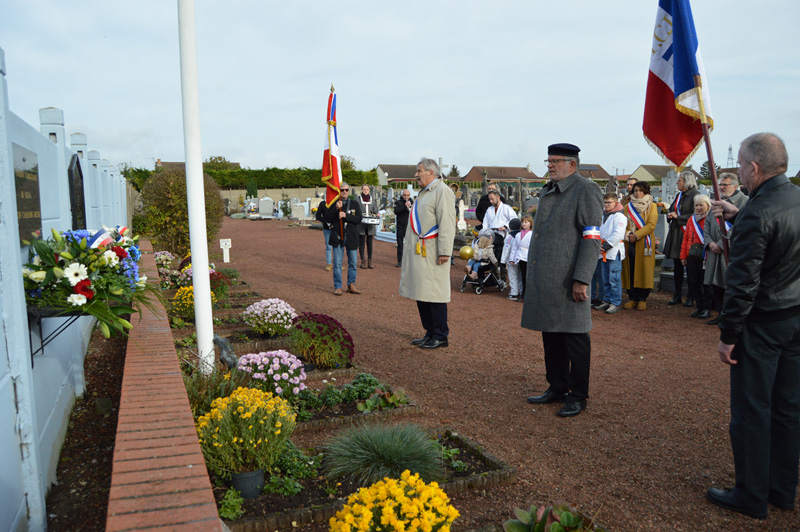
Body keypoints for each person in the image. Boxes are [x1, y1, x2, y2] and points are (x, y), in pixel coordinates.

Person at [705, 133, 800, 520]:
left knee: (751, 411)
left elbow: (743, 284)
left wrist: (728, 336)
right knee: (788, 408)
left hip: (762, 324)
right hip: (794, 316)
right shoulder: (792, 198)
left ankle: (750, 494)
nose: (738, 171)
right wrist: (738, 213)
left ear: (755, 167)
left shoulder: (757, 214)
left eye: (741, 165)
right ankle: (781, 490)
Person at [523, 143, 602, 418]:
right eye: (549, 161)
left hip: (569, 280)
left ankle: (578, 395)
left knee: (575, 339)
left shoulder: (585, 190)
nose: (550, 165)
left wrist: (582, 278)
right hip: (547, 278)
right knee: (551, 335)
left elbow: (592, 238)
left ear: (573, 165)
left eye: (556, 161)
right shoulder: (549, 190)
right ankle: (557, 386)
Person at [399, 158, 456, 350]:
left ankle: (440, 335)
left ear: (431, 172)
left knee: (434, 294)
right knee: (421, 292)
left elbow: (447, 223)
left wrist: (445, 251)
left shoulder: (443, 191)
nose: (416, 174)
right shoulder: (424, 193)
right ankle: (430, 332)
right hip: (419, 251)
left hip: (432, 252)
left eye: (419, 171)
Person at [703, 173, 748, 324]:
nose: (721, 187)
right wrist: (710, 243)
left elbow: (739, 226)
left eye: (725, 185)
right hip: (714, 250)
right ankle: (721, 313)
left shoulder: (744, 202)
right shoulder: (718, 201)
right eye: (720, 184)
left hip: (729, 251)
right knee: (716, 284)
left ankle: (730, 316)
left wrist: (721, 244)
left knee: (727, 283)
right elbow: (708, 224)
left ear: (735, 186)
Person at [663, 171, 700, 306]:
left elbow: (696, 214)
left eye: (680, 180)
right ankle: (677, 294)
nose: (677, 182)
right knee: (677, 266)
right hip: (676, 233)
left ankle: (691, 296)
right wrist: (669, 215)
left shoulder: (696, 195)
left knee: (690, 267)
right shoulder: (679, 196)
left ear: (687, 182)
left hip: (687, 234)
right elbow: (672, 209)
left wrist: (678, 217)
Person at [621, 181, 658, 310]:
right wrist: (629, 234)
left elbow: (651, 225)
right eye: (636, 190)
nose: (637, 193)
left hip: (644, 242)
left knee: (643, 269)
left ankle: (642, 298)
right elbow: (622, 224)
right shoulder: (627, 207)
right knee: (630, 268)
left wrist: (637, 235)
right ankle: (632, 297)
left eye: (640, 191)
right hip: (629, 241)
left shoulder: (652, 206)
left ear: (646, 192)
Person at [323, 182, 362, 295]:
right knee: (337, 265)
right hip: (338, 237)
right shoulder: (334, 204)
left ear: (349, 191)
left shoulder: (354, 203)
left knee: (353, 264)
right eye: (342, 190)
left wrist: (346, 216)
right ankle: (338, 286)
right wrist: (336, 209)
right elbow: (328, 219)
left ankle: (351, 284)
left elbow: (359, 219)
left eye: (346, 190)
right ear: (338, 191)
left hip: (351, 237)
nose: (344, 192)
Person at [593, 193, 627, 314]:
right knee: (605, 278)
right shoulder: (603, 216)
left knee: (614, 278)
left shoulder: (619, 216)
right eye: (605, 202)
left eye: (609, 202)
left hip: (613, 250)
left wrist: (606, 246)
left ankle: (615, 302)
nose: (606, 205)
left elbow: (618, 234)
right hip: (602, 251)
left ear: (615, 203)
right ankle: (607, 300)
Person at [679, 195, 713, 319]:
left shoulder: (711, 219)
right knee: (694, 283)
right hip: (691, 255)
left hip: (706, 256)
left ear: (707, 206)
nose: (698, 208)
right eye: (696, 205)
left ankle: (707, 308)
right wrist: (683, 256)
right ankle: (699, 306)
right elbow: (686, 238)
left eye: (701, 205)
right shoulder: (691, 220)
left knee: (706, 283)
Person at [507, 215, 532, 302]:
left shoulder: (531, 234)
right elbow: (514, 247)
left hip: (527, 257)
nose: (524, 224)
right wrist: (512, 259)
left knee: (526, 276)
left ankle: (525, 295)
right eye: (523, 222)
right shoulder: (518, 234)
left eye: (526, 222)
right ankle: (522, 294)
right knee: (522, 276)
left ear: (530, 223)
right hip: (519, 256)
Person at [358, 184, 378, 269]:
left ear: (369, 190)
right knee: (361, 242)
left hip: (370, 223)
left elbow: (376, 210)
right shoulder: (358, 199)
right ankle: (363, 260)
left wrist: (376, 213)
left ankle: (370, 261)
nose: (365, 191)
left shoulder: (373, 200)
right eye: (364, 189)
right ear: (361, 190)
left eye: (367, 189)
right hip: (361, 223)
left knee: (370, 243)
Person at [393, 189, 412, 268]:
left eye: (407, 195)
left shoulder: (412, 202)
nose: (406, 197)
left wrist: (409, 206)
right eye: (405, 195)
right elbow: (396, 211)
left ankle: (409, 260)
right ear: (402, 195)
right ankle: (400, 260)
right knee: (400, 244)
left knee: (410, 245)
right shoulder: (398, 202)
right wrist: (404, 206)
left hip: (409, 227)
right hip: (400, 226)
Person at [315, 199, 333, 271]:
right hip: (327, 228)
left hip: (337, 228)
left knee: (338, 246)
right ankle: (329, 263)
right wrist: (325, 221)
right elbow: (318, 215)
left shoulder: (337, 201)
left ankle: (338, 263)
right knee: (328, 246)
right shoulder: (323, 204)